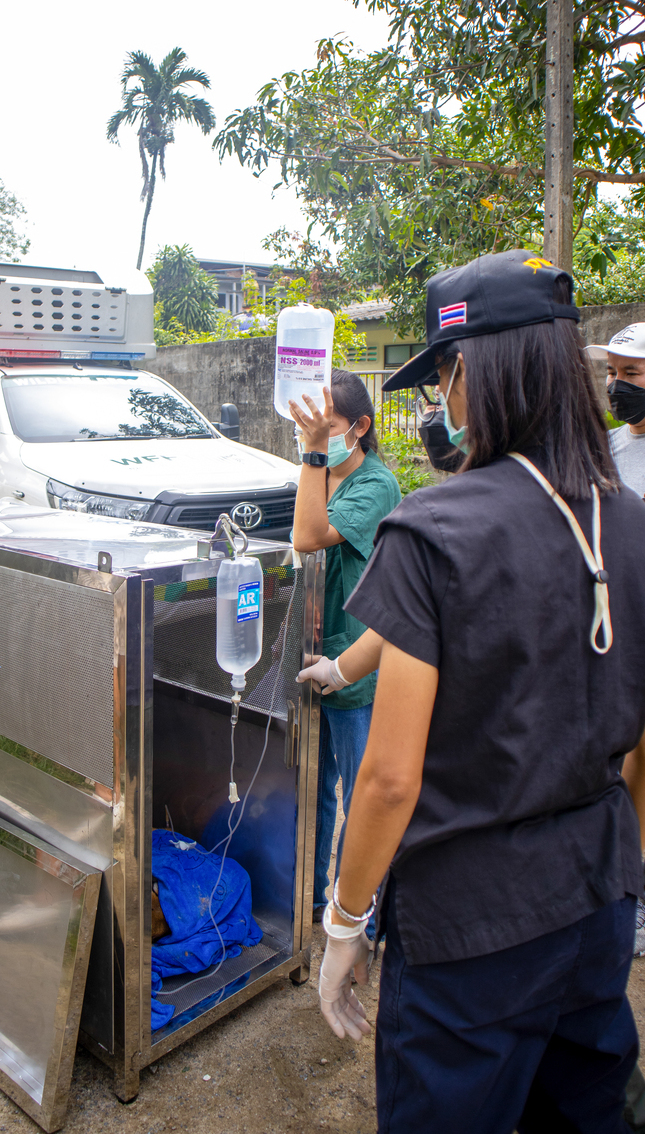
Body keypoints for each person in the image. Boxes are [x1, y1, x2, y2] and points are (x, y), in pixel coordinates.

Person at [300, 250, 645, 1134]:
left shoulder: (431, 526)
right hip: (595, 906)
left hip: (468, 928)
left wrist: (344, 926)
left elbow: (389, 780)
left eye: (442, 379)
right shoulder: (636, 522)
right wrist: (610, 871)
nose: (442, 404)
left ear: (470, 370)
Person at [288, 368, 401, 926]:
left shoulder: (374, 485)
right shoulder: (327, 477)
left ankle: (365, 918)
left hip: (356, 664)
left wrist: (312, 457)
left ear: (359, 427)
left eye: (326, 426)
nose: (316, 435)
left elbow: (307, 537)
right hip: (319, 654)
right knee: (317, 789)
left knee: (361, 795)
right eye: (308, 426)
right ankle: (309, 897)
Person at [586, 321, 645, 960]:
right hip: (612, 626)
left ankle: (643, 897)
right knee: (619, 755)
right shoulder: (610, 446)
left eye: (632, 374)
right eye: (612, 373)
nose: (617, 386)